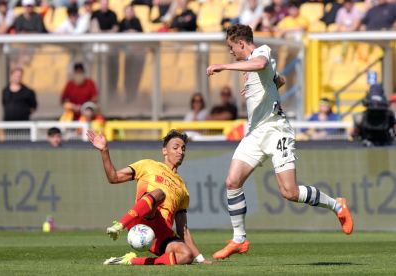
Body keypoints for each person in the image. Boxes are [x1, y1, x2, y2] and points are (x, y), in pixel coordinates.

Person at [206, 24, 354, 260]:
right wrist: (264, 84)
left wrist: (224, 67)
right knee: (232, 182)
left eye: (231, 48)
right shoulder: (253, 67)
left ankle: (337, 206)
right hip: (254, 133)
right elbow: (278, 79)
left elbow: (262, 64)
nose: (231, 53)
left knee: (290, 192)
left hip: (276, 131)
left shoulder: (261, 52)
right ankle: (239, 239)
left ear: (242, 44)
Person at [87, 129, 212, 265]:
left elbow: (183, 229)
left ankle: (130, 260)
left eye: (183, 148)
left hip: (160, 233)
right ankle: (120, 225)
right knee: (159, 193)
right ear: (164, 151)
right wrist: (104, 150)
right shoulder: (148, 165)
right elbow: (113, 177)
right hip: (142, 220)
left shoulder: (183, 189)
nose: (180, 152)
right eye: (175, 147)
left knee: (186, 255)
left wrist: (200, 259)